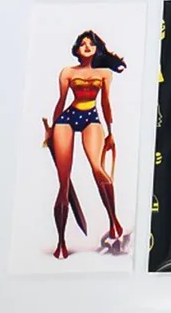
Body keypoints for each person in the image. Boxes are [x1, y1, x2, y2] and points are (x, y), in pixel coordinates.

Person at [45, 30, 126, 258]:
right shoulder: (68, 72)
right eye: (83, 44)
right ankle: (61, 242)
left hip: (91, 117)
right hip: (67, 118)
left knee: (98, 169)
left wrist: (111, 132)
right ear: (77, 49)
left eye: (91, 43)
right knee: (64, 182)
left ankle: (113, 221)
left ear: (97, 48)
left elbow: (106, 103)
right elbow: (61, 101)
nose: (87, 46)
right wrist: (52, 128)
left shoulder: (104, 73)